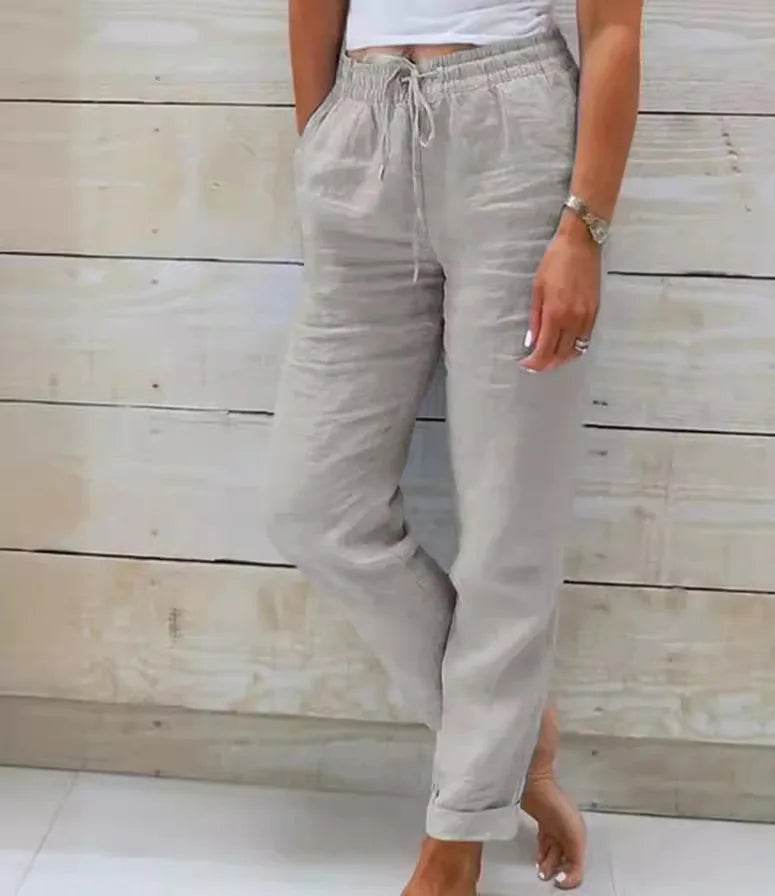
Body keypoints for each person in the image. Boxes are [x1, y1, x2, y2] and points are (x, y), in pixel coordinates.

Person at [266, 1, 642, 892]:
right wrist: (321, 145)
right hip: (361, 126)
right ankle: (513, 744)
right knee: (313, 512)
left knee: (508, 529)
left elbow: (615, 29)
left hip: (512, 139)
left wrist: (584, 227)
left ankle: (455, 845)